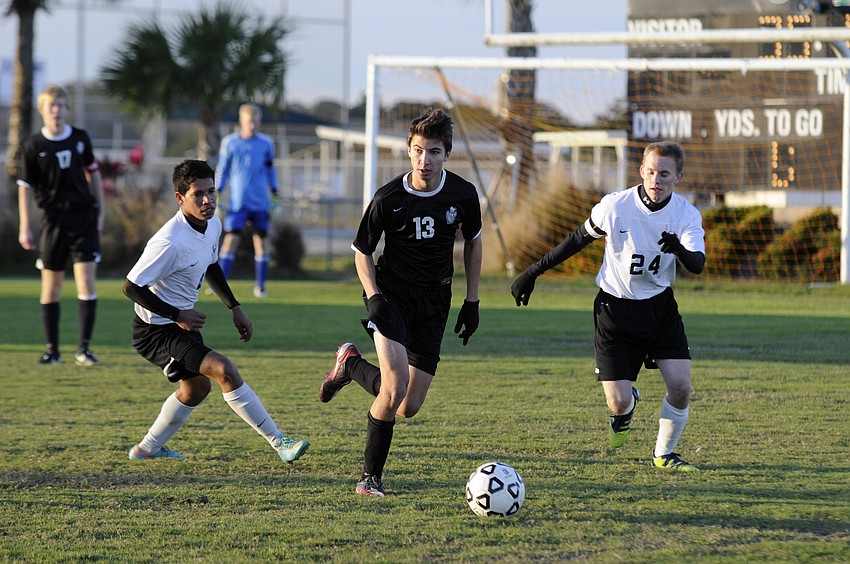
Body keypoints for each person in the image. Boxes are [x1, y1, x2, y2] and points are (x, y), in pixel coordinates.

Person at [511, 140, 705, 472]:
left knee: (681, 387)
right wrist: (533, 272)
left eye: (665, 174)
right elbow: (576, 240)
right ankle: (625, 411)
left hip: (659, 310)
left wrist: (679, 250)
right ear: (641, 171)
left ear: (679, 177)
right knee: (618, 402)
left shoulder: (686, 214)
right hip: (614, 310)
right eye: (652, 172)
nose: (657, 180)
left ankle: (664, 455)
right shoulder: (615, 207)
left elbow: (697, 264)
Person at [318, 108, 483, 496]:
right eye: (419, 151)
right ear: (408, 150)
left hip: (436, 301)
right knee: (393, 389)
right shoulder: (387, 198)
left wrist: (472, 300)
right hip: (391, 298)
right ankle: (369, 479)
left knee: (408, 405)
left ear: (448, 154)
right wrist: (374, 296)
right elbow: (362, 252)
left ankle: (350, 364)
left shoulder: (463, 194)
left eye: (435, 152)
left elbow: (474, 242)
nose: (426, 160)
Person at [123, 159, 308, 463]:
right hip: (155, 331)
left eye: (212, 191)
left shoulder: (214, 224)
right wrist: (177, 315)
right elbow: (131, 287)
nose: (208, 200)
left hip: (179, 326)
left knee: (196, 389)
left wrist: (235, 307)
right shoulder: (169, 241)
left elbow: (211, 265)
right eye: (198, 194)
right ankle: (280, 443)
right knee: (224, 370)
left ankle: (146, 449)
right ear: (180, 198)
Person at [17, 84, 105, 366]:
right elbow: (24, 187)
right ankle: (52, 351)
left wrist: (99, 211)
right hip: (52, 222)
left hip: (83, 219)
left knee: (86, 283)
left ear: (67, 109)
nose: (57, 111)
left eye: (62, 106)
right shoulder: (33, 145)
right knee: (51, 287)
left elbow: (95, 176)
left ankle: (84, 349)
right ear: (42, 110)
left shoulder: (79, 138)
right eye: (52, 106)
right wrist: (25, 226)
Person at [216, 103, 279, 298]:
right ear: (241, 122)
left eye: (255, 121)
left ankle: (261, 287)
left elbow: (270, 170)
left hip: (260, 202)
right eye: (249, 121)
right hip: (238, 202)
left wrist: (275, 193)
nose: (252, 125)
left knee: (261, 241)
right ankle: (219, 285)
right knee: (231, 238)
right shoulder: (230, 142)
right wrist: (217, 193)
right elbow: (223, 169)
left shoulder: (266, 143)